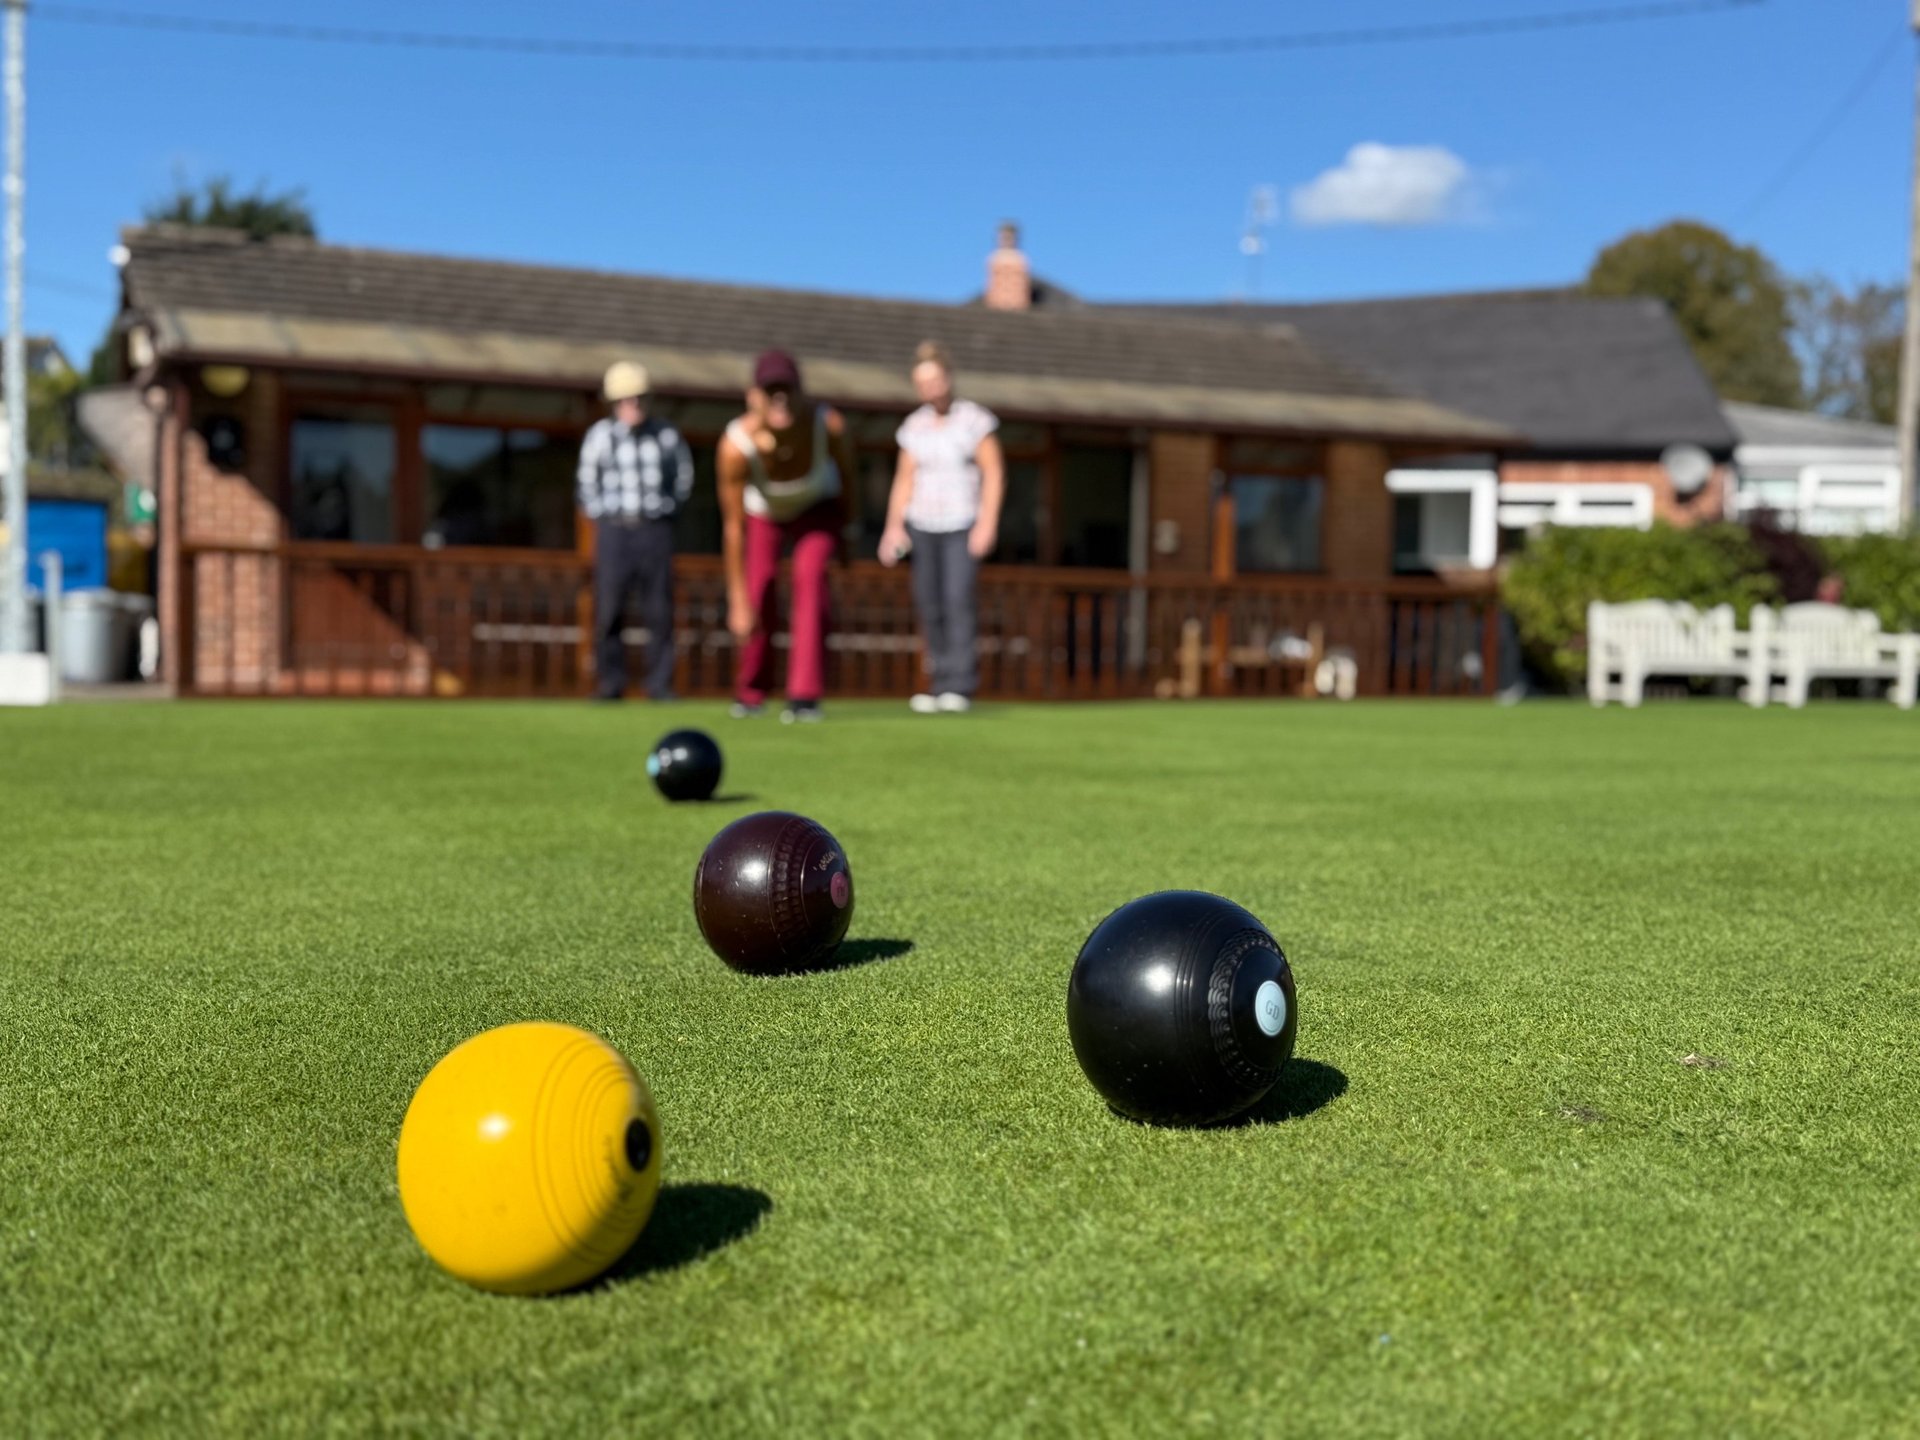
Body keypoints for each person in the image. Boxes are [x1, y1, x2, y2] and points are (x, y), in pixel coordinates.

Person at [718, 350, 856, 722]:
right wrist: (738, 600)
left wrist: (847, 537)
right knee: (759, 585)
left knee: (809, 576)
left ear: (801, 393)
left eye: (788, 390)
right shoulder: (735, 446)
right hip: (763, 513)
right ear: (753, 396)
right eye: (770, 391)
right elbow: (733, 528)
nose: (780, 399)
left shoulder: (828, 425)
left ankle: (804, 696)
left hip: (817, 509)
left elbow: (848, 484)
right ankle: (751, 692)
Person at [879, 341, 1005, 713]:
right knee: (929, 603)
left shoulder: (974, 420)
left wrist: (987, 523)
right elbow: (903, 480)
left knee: (957, 599)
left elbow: (994, 473)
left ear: (948, 378)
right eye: (922, 381)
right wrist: (893, 527)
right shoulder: (914, 426)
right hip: (922, 525)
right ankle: (936, 684)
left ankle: (959, 685)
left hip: (962, 524)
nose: (929, 387)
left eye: (934, 379)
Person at [576, 360, 695, 702]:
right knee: (609, 609)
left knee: (659, 610)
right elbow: (586, 484)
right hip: (614, 531)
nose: (633, 405)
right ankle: (611, 684)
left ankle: (659, 684)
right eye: (626, 399)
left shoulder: (666, 435)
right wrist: (603, 514)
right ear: (614, 403)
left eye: (639, 398)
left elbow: (683, 479)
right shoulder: (599, 437)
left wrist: (666, 511)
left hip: (654, 530)